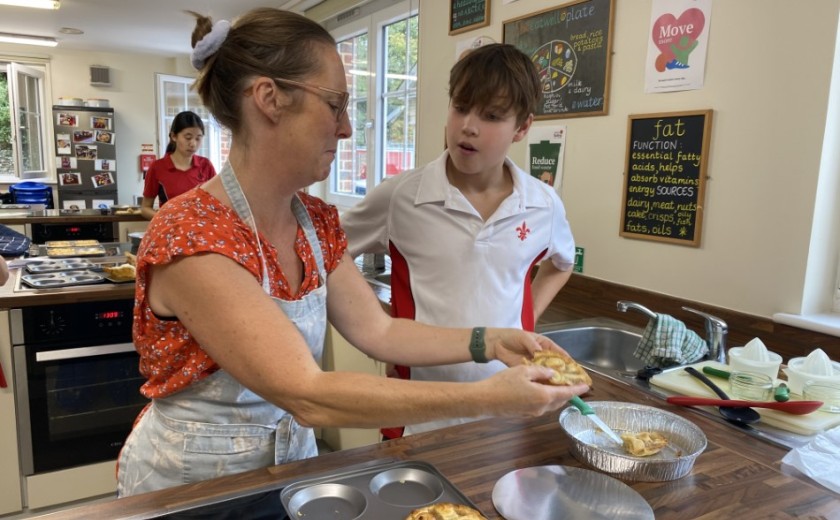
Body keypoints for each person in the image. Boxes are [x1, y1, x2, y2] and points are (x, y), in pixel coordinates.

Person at [116, 8, 588, 497]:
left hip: (290, 473)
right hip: (194, 489)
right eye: (336, 104)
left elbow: (378, 330)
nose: (346, 128)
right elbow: (308, 394)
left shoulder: (315, 224)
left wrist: (488, 342)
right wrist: (485, 399)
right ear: (270, 99)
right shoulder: (191, 233)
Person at [342, 43, 577, 437]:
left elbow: (560, 265)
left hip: (509, 411)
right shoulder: (401, 196)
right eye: (460, 107)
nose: (468, 125)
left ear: (522, 127)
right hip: (416, 410)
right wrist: (374, 323)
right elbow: (326, 250)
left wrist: (525, 317)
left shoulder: (542, 204)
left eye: (491, 116)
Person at [140, 110, 217, 220]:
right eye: (188, 137)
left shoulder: (206, 165)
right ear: (173, 136)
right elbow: (145, 208)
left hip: (200, 229)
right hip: (171, 230)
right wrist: (167, 219)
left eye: (198, 138)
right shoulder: (157, 167)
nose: (193, 144)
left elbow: (217, 202)